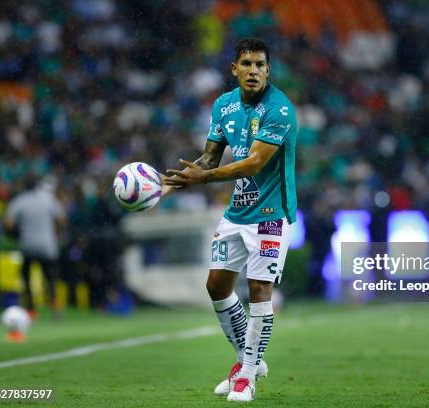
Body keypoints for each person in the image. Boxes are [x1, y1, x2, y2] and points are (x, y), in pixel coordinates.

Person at [163, 38, 297, 402]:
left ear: (268, 70)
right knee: (216, 286)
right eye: (246, 64)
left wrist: (203, 179)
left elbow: (255, 163)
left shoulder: (279, 110)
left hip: (271, 214)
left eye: (260, 65)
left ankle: (248, 376)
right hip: (237, 213)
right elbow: (210, 157)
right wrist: (172, 181)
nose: (253, 71)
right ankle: (245, 361)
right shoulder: (223, 106)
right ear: (234, 69)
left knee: (259, 292)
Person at [3, 176, 67, 320]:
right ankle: (54, 305)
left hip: (28, 245)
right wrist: (56, 232)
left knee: (27, 279)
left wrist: (16, 233)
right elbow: (62, 219)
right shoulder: (48, 199)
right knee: (49, 278)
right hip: (47, 245)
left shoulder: (20, 200)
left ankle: (31, 311)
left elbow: (8, 222)